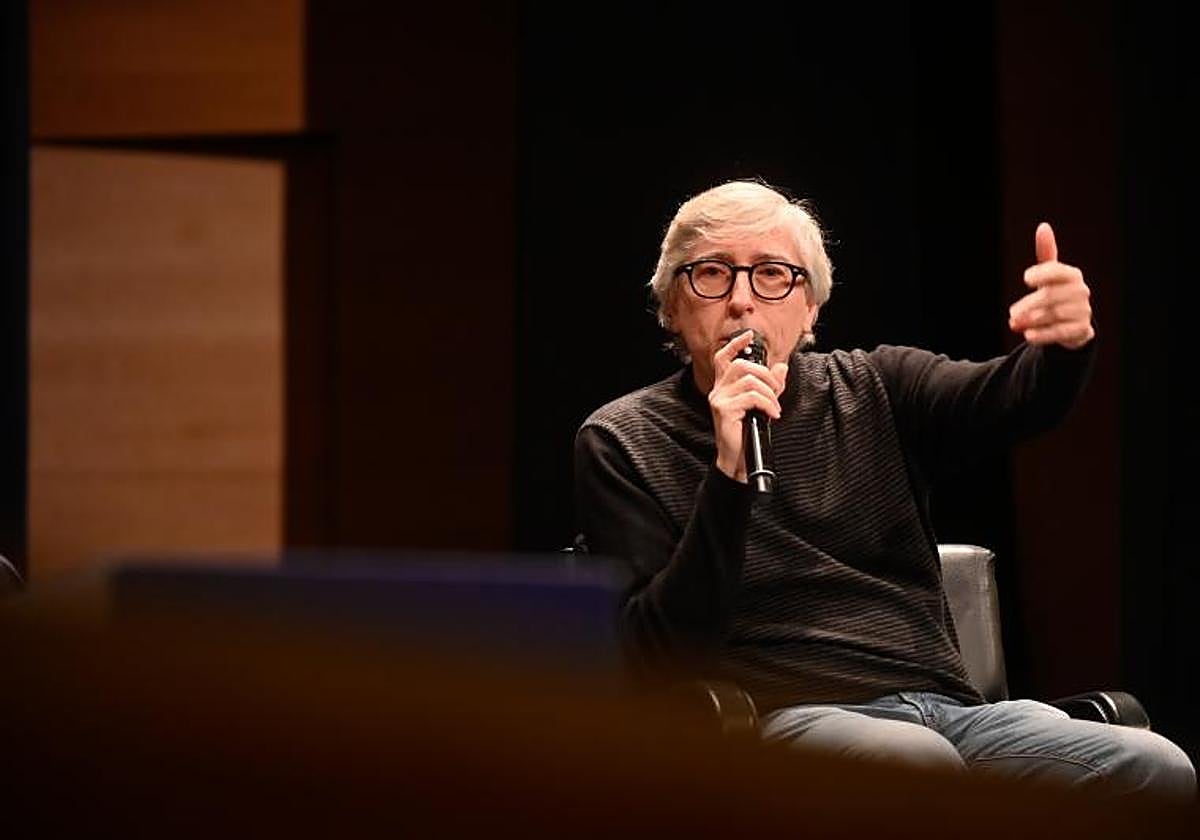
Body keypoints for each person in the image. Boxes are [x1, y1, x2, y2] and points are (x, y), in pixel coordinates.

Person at [574, 179, 1195, 800]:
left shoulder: (876, 386)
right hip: (782, 721)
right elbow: (657, 654)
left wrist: (1063, 349)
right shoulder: (624, 438)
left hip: (951, 716)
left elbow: (1009, 399)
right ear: (673, 308)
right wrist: (729, 477)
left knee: (1154, 767)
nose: (741, 301)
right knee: (910, 761)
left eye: (771, 275)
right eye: (710, 275)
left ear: (810, 306)